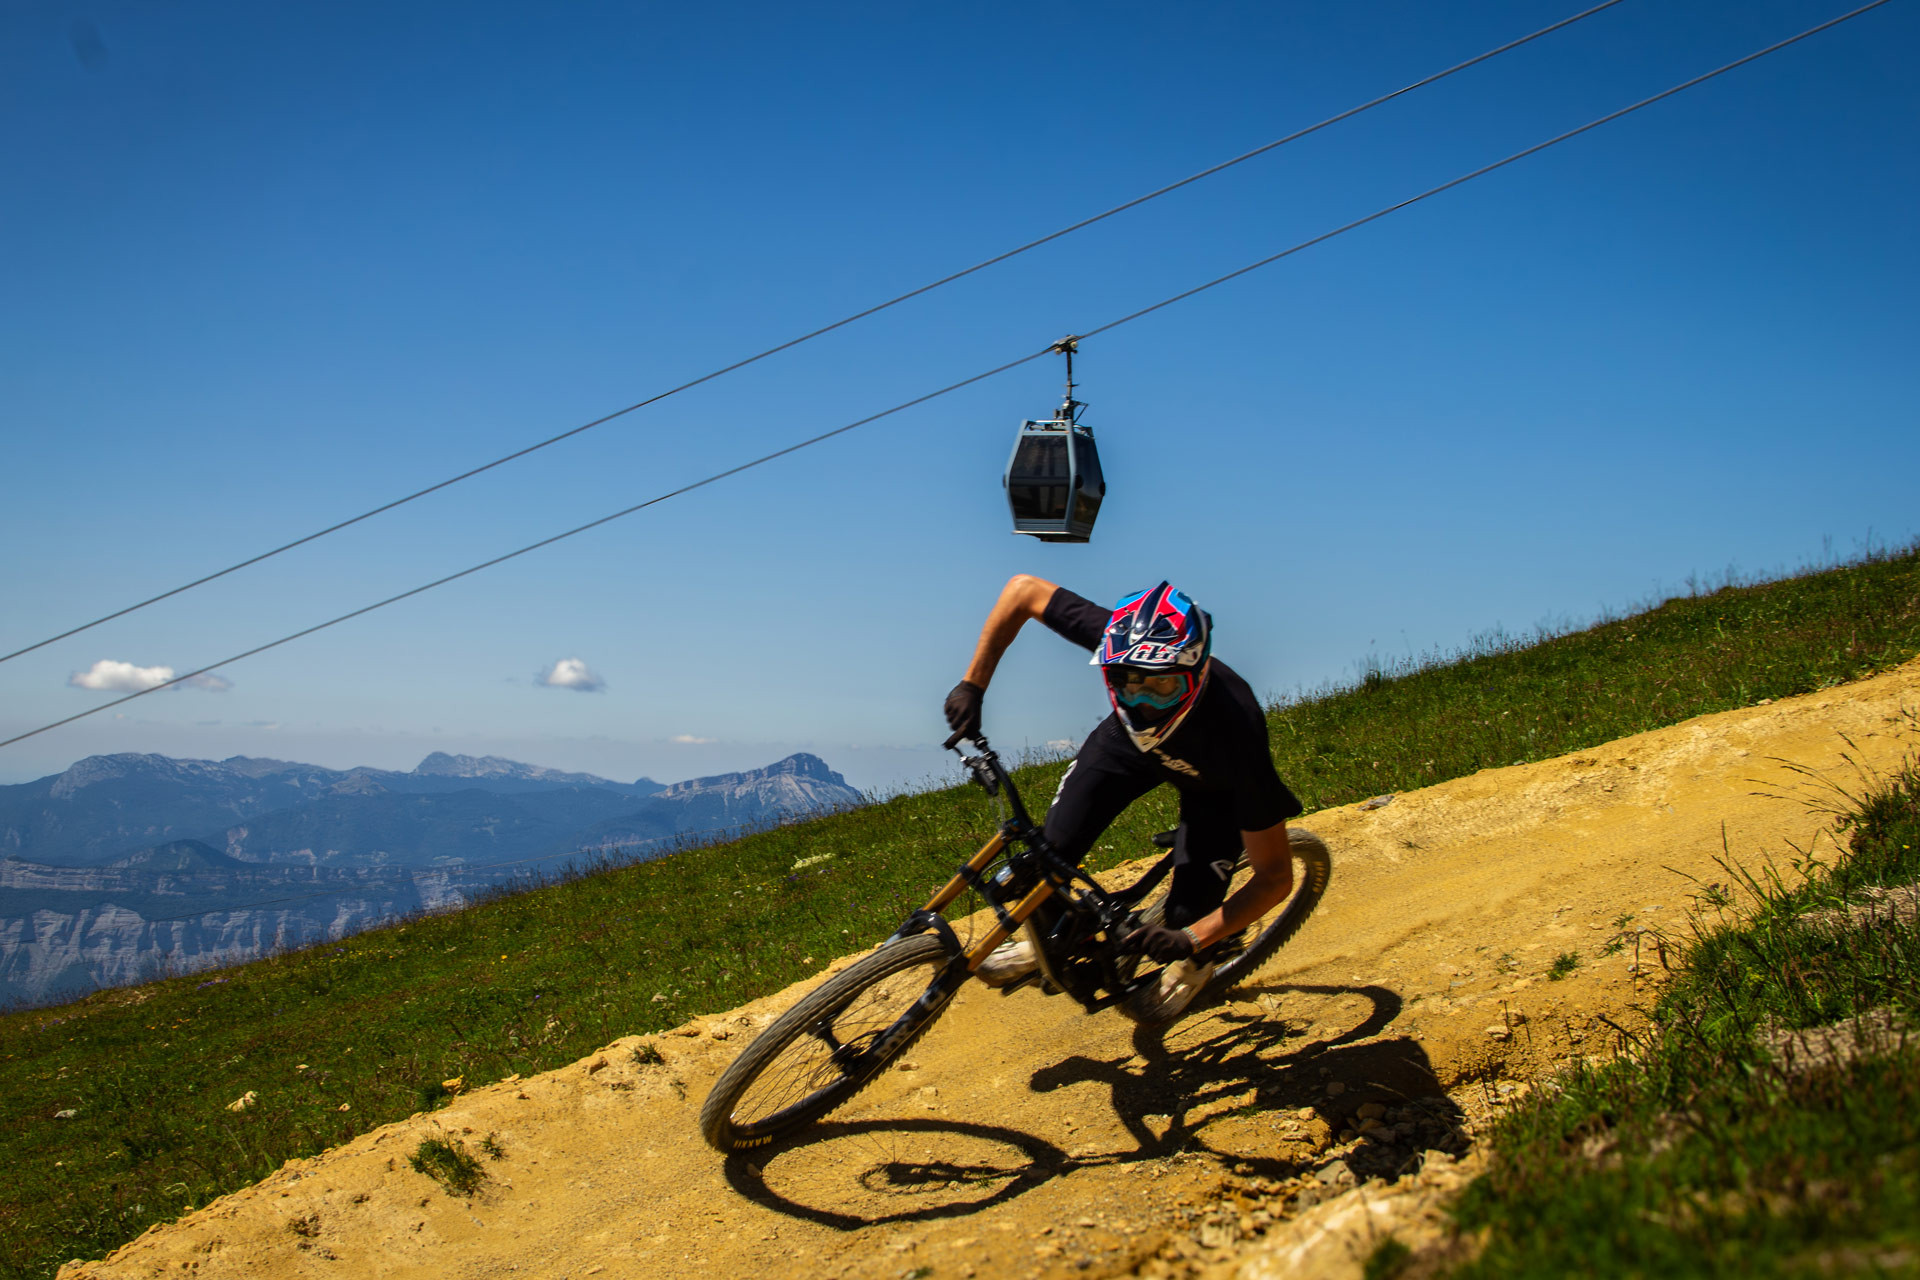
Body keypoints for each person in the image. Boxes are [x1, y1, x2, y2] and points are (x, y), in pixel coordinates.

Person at [944, 576, 1307, 1020]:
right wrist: (973, 685)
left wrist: (1191, 940)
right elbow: (1022, 590)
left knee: (1186, 917)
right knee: (1047, 861)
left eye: (1161, 688)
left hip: (1214, 789)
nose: (1140, 699)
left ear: (1196, 671)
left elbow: (1274, 878)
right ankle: (1058, 940)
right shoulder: (1127, 639)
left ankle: (1200, 966)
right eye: (1123, 680)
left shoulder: (1238, 735)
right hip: (1124, 746)